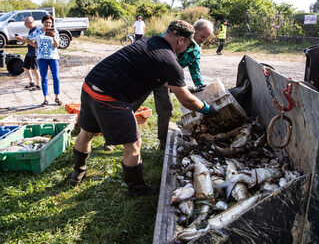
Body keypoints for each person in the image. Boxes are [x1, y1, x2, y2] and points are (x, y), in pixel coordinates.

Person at [70, 20, 216, 196]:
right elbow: (186, 100)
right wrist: (207, 109)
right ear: (180, 41)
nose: (188, 48)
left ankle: (78, 171)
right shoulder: (170, 60)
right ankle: (136, 189)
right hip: (110, 97)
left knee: (86, 133)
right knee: (133, 144)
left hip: (90, 84)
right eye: (189, 44)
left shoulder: (149, 41)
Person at [131, 19, 214, 150]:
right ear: (195, 28)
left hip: (166, 81)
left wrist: (200, 86)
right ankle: (111, 138)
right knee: (132, 104)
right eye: (202, 36)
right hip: (149, 75)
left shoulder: (196, 50)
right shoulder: (174, 36)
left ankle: (163, 142)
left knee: (166, 109)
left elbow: (195, 69)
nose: (203, 40)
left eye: (206, 38)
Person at [28, 15, 62, 107]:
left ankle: (57, 97)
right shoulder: (38, 32)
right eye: (46, 22)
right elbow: (28, 39)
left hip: (53, 57)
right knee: (44, 78)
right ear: (43, 22)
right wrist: (35, 45)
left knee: (56, 78)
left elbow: (57, 45)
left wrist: (54, 37)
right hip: (42, 57)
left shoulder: (55, 32)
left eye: (50, 22)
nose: (48, 24)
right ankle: (45, 99)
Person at [15, 16, 41, 91]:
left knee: (35, 69)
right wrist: (23, 39)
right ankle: (32, 81)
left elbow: (32, 42)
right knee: (25, 67)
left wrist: (22, 39)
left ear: (30, 22)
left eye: (25, 23)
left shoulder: (36, 30)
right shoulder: (31, 30)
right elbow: (28, 40)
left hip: (34, 52)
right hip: (30, 52)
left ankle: (38, 85)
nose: (24, 24)